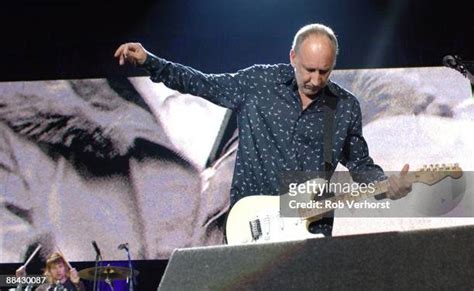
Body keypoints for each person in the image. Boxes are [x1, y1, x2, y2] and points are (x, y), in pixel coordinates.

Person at [114, 23, 412, 233]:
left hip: (311, 231)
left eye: (325, 71)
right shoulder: (258, 83)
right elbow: (203, 83)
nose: (316, 80)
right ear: (293, 57)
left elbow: (360, 166)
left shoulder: (345, 106)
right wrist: (150, 62)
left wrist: (387, 186)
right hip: (252, 226)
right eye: (309, 69)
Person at [16, 252, 85, 291]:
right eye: (54, 268)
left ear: (65, 268)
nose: (58, 270)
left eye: (60, 266)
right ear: (49, 271)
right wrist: (20, 281)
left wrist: (77, 283)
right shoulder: (42, 289)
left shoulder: (76, 286)